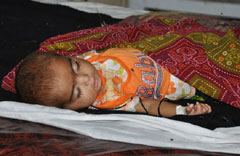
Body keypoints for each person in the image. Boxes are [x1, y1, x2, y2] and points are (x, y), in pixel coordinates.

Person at [15, 48, 212, 118]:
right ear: (71, 108)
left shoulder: (88, 58)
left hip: (165, 52)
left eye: (75, 67)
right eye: (77, 92)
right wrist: (182, 111)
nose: (85, 79)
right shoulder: (109, 99)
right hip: (183, 80)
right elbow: (148, 106)